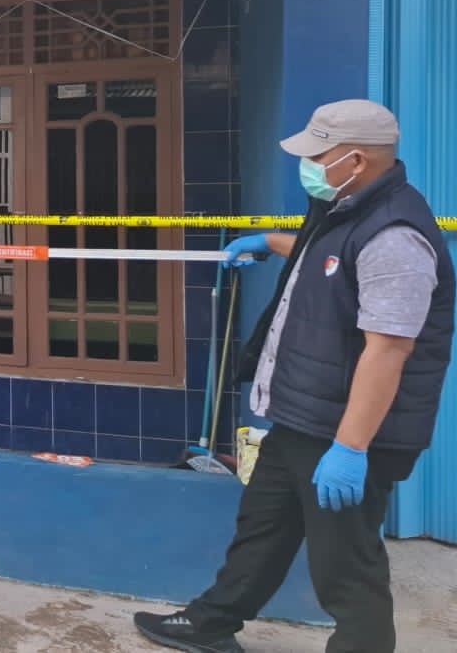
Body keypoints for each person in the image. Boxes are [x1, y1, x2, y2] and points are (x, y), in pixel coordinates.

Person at [135, 100, 453, 653]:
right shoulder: (344, 209)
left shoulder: (395, 237)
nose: (308, 166)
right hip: (303, 415)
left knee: (345, 564)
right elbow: (325, 259)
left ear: (356, 160)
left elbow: (388, 351)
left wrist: (350, 448)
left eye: (318, 156)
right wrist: (267, 241)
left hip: (345, 428)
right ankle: (212, 624)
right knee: (263, 528)